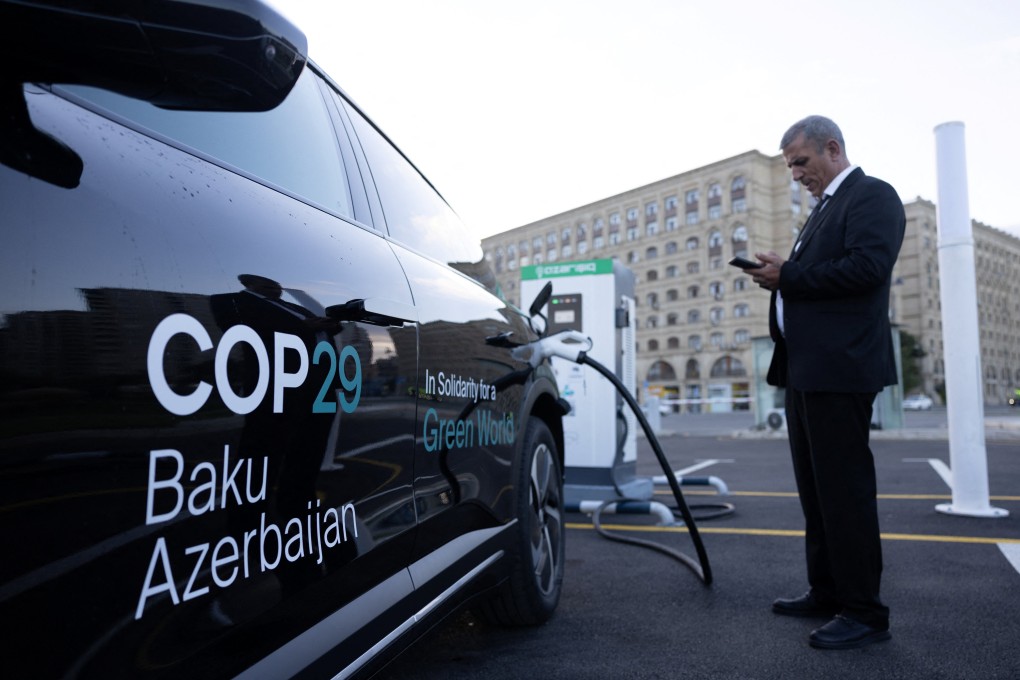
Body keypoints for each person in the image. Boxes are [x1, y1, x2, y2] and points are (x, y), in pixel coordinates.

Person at [750, 115, 905, 650]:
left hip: (841, 370)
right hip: (806, 370)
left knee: (845, 494)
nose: (795, 174)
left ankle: (865, 611)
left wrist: (787, 275)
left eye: (800, 161)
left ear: (832, 148)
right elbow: (820, 273)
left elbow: (866, 268)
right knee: (817, 494)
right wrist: (783, 266)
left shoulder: (872, 196)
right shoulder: (823, 210)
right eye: (790, 165)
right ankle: (828, 590)